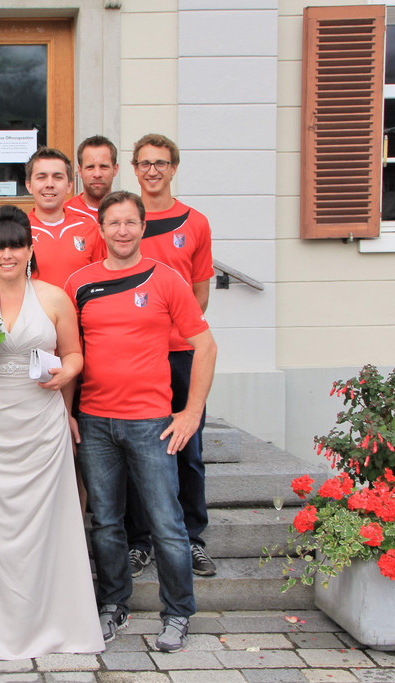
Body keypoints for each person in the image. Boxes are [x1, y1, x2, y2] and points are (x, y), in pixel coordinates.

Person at [0, 205, 104, 660]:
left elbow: (74, 355)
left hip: (41, 421)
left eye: (15, 246)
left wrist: (65, 373)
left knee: (45, 524)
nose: (7, 254)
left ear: (30, 249)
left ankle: (52, 621)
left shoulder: (54, 298)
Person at [64, 190, 216, 653]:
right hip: (95, 422)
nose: (123, 231)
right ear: (101, 230)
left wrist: (190, 413)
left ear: (143, 227)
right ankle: (114, 605)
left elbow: (205, 346)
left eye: (131, 222)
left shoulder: (166, 279)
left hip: (152, 423)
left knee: (167, 524)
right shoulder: (79, 283)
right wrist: (68, 413)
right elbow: (70, 353)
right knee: (106, 523)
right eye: (114, 223)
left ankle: (178, 612)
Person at [126, 134, 217, 578]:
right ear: (134, 169)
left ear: (174, 168)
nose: (152, 171)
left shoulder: (195, 223)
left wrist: (171, 329)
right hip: (134, 357)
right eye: (144, 163)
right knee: (135, 449)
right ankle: (139, 541)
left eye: (160, 163)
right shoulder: (126, 220)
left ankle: (192, 538)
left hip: (180, 354)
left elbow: (200, 294)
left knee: (188, 449)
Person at [25, 147, 106, 287]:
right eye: (41, 177)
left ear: (69, 185)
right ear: (29, 185)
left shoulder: (89, 229)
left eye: (58, 177)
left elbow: (101, 281)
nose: (49, 184)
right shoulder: (19, 231)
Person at [66, 135, 120, 223]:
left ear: (115, 169)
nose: (97, 174)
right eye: (90, 167)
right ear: (80, 171)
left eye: (104, 167)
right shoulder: (64, 213)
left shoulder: (127, 213)